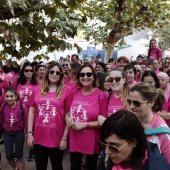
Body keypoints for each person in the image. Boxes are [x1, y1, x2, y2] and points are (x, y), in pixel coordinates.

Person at [27, 62, 73, 170]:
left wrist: (65, 138)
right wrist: (29, 133)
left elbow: (68, 114)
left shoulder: (67, 91)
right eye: (52, 71)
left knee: (57, 167)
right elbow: (32, 111)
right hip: (39, 137)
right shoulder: (37, 89)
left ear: (61, 75)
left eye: (58, 72)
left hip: (57, 138)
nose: (54, 74)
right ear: (47, 73)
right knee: (40, 167)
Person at [66, 64, 108, 170]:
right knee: (74, 167)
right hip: (75, 138)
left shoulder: (100, 95)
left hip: (91, 140)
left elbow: (104, 122)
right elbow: (67, 111)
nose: (85, 77)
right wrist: (68, 118)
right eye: (82, 74)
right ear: (79, 77)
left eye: (89, 74)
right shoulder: (74, 92)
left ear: (93, 77)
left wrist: (85, 124)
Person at [98, 109, 170, 170]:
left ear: (133, 142)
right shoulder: (105, 159)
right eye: (104, 144)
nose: (107, 152)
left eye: (114, 147)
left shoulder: (156, 166)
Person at [128, 82, 170, 164]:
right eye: (129, 102)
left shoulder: (163, 133)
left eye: (137, 103)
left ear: (151, 103)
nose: (131, 106)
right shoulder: (127, 121)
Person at [0, 87, 28, 170]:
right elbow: (1, 120)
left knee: (19, 155)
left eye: (11, 96)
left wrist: (28, 134)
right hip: (7, 133)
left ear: (16, 96)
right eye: (7, 96)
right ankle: (15, 168)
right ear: (4, 97)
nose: (9, 99)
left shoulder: (22, 106)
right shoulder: (3, 106)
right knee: (8, 155)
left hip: (19, 133)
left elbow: (26, 121)